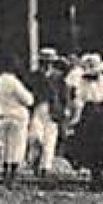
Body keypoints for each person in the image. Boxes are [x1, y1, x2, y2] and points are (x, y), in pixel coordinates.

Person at [64, 52, 103, 189]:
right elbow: (79, 99)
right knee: (90, 144)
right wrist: (74, 117)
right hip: (90, 112)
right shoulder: (82, 82)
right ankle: (95, 176)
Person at [0, 61, 35, 187]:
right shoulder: (14, 82)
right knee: (17, 146)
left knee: (6, 145)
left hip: (4, 114)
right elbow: (28, 100)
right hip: (18, 116)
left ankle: (5, 171)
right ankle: (13, 174)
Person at [28, 48, 67, 179]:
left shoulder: (59, 76)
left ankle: (45, 167)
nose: (47, 64)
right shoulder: (34, 75)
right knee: (35, 137)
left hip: (53, 108)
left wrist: (64, 108)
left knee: (49, 139)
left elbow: (63, 94)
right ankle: (35, 160)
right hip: (38, 107)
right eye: (44, 62)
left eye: (49, 62)